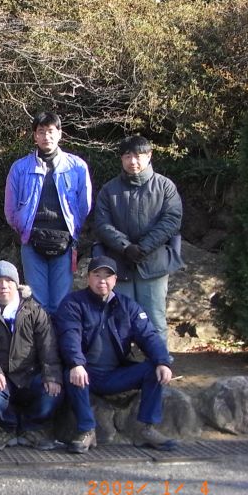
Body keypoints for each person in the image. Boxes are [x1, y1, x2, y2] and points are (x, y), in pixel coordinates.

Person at [54, 256, 178, 454]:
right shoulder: (73, 303)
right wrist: (76, 363)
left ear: (115, 280)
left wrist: (162, 361)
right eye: (97, 275)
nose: (102, 280)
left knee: (153, 370)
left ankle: (146, 429)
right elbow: (69, 335)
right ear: (88, 278)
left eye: (107, 276)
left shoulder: (127, 305)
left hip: (116, 373)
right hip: (86, 373)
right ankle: (87, 431)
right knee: (72, 373)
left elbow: (148, 335)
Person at [93, 135, 183, 341]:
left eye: (138, 156)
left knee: (155, 320)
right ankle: (122, 360)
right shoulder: (109, 190)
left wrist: (143, 247)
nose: (133, 161)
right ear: (121, 159)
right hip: (119, 264)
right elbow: (102, 224)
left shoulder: (165, 186)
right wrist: (125, 247)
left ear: (149, 156)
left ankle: (159, 359)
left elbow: (171, 220)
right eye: (127, 156)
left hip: (153, 263)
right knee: (120, 320)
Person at [4, 112, 92, 315]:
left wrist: (72, 230)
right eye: (41, 132)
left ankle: (60, 336)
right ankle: (41, 336)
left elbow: (84, 205)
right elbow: (10, 208)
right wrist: (23, 229)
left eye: (51, 131)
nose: (46, 137)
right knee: (37, 301)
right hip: (32, 240)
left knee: (62, 300)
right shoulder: (20, 168)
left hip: (64, 240)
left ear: (60, 134)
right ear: (35, 136)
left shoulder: (77, 166)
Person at [0, 261, 63, 452]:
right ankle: (6, 428)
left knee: (53, 392)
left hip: (30, 374)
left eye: (9, 281)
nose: (4, 286)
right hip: (0, 376)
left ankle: (32, 428)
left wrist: (51, 375)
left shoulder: (35, 310)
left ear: (17, 284)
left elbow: (48, 346)